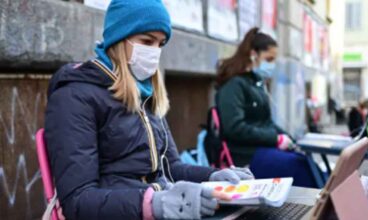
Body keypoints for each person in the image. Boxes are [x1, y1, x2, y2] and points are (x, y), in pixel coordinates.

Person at [44, 1, 254, 219]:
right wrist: (154, 203)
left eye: (160, 44)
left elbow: (171, 166)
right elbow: (77, 201)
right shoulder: (75, 95)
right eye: (146, 41)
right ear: (119, 38)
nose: (154, 52)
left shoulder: (146, 92)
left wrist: (213, 176)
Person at [215, 28, 317, 188]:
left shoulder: (257, 84)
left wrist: (289, 138)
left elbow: (267, 122)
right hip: (244, 155)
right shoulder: (234, 85)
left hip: (260, 148)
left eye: (274, 60)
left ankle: (321, 206)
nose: (272, 65)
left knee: (304, 160)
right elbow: (234, 127)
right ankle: (317, 208)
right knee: (299, 166)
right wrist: (275, 139)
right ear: (253, 54)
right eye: (268, 59)